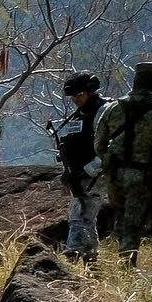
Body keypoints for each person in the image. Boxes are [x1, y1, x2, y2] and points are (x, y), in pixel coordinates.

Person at [93, 60, 152, 264]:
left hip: (114, 176)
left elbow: (99, 143)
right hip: (143, 176)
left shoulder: (113, 108)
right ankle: (127, 268)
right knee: (134, 222)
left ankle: (117, 261)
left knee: (121, 217)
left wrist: (109, 161)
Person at [52, 71, 106, 260]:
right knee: (86, 218)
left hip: (95, 175)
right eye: (73, 96)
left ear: (91, 91)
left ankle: (72, 256)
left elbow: (113, 146)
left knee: (80, 216)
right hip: (78, 176)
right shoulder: (79, 115)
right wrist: (68, 173)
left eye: (79, 95)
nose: (75, 99)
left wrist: (90, 169)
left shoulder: (104, 111)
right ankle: (91, 259)